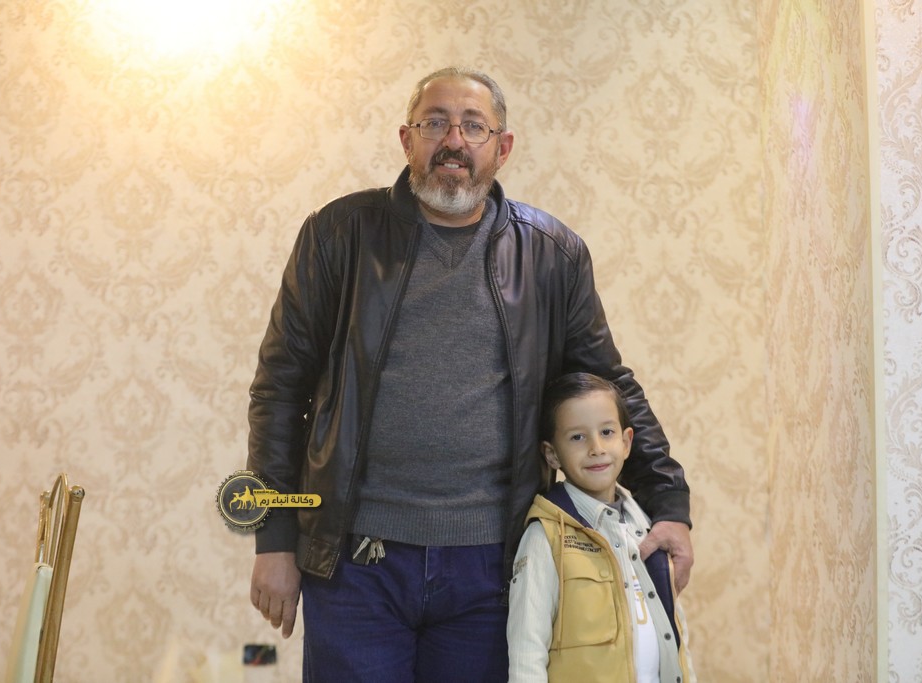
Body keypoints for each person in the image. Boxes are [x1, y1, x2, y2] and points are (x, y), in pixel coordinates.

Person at [245, 66, 693, 683]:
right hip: (355, 564)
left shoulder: (553, 254)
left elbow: (607, 384)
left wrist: (669, 504)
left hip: (497, 566)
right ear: (406, 140)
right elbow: (279, 390)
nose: (453, 140)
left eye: (473, 126)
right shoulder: (338, 235)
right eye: (435, 123)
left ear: (502, 147)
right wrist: (273, 538)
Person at [507, 373, 695, 682]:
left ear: (626, 442)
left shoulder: (647, 527)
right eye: (577, 437)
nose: (596, 448)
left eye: (606, 432)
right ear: (552, 454)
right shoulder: (545, 536)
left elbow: (677, 633)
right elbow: (527, 653)